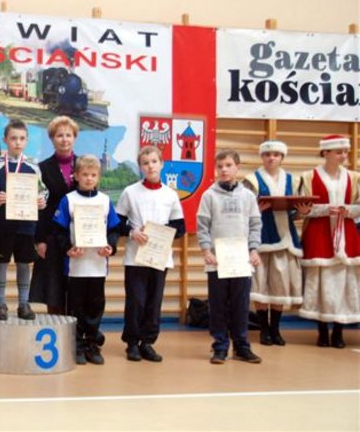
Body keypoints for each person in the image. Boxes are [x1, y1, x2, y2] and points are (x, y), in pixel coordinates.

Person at [115, 146, 185, 362]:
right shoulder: (130, 192)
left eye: (154, 162)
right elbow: (117, 223)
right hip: (135, 257)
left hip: (160, 257)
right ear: (140, 167)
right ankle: (132, 344)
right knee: (136, 301)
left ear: (161, 164)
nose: (150, 166)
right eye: (145, 163)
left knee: (154, 302)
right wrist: (132, 232)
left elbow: (180, 227)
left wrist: (161, 232)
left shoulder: (170, 194)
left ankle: (147, 343)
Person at [197, 149, 262, 364]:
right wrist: (207, 251)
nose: (224, 170)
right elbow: (202, 226)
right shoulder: (209, 196)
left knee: (240, 306)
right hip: (217, 261)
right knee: (218, 306)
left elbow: (255, 225)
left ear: (237, 167)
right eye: (220, 166)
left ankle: (242, 347)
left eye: (228, 166)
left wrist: (254, 250)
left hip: (241, 261)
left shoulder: (248, 196)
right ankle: (220, 347)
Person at [53, 155, 119, 365]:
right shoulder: (69, 200)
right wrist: (68, 248)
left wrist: (111, 246)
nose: (89, 178)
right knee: (76, 307)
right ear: (76, 176)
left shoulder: (105, 201)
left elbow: (114, 229)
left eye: (93, 175)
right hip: (76, 266)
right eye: (85, 174)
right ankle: (78, 345)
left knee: (95, 306)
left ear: (98, 177)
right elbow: (59, 230)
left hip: (98, 265)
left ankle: (92, 344)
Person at [0, 119, 48, 320]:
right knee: (1, 262)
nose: (17, 142)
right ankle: (0, 304)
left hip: (26, 225)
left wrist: (41, 201)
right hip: (3, 225)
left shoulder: (33, 166)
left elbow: (43, 191)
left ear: (27, 140)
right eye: (13, 138)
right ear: (5, 140)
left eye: (21, 138)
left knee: (24, 263)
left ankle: (23, 304)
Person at [297, 135, 360, 348]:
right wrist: (324, 210)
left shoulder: (354, 177)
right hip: (319, 234)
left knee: (343, 283)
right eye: (339, 152)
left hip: (347, 235)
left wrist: (347, 210)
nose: (344, 156)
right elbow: (302, 209)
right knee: (319, 283)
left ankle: (339, 332)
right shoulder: (308, 177)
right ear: (326, 153)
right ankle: (322, 332)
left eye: (345, 152)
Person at [242, 140, 303, 346]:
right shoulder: (251, 180)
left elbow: (295, 213)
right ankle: (264, 329)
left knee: (280, 286)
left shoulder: (293, 180)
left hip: (286, 239)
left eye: (276, 154)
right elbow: (244, 210)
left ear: (282, 157)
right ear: (262, 157)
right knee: (260, 284)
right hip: (261, 238)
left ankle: (276, 329)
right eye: (267, 154)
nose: (271, 158)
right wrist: (255, 211)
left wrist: (302, 212)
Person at [30, 116, 79, 315]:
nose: (64, 139)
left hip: (78, 237)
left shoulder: (85, 166)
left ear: (74, 138)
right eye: (59, 135)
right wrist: (39, 240)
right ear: (52, 139)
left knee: (78, 289)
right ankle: (58, 328)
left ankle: (78, 331)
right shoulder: (42, 168)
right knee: (53, 289)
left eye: (68, 135)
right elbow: (38, 207)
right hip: (51, 237)